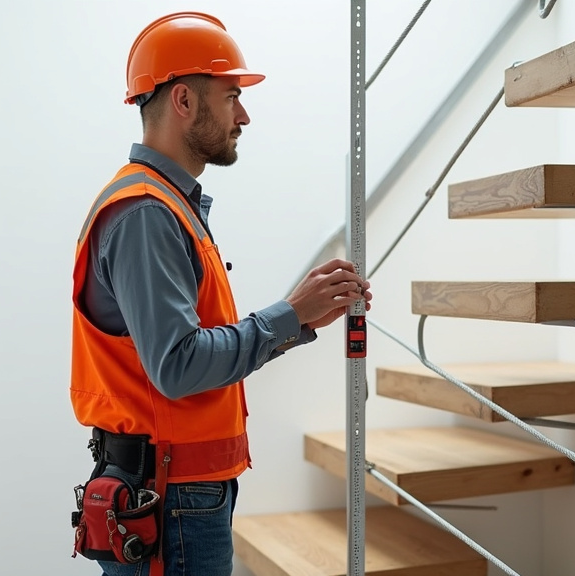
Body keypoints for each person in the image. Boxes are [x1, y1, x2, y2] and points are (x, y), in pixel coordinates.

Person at [69, 12, 371, 576]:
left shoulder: (168, 205)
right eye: (231, 95)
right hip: (170, 497)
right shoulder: (146, 214)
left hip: (178, 491)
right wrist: (288, 316)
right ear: (183, 100)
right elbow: (177, 366)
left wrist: (299, 321)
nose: (245, 115)